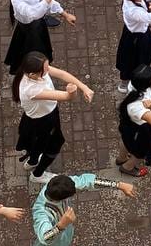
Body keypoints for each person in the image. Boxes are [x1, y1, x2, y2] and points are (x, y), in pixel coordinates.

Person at [13, 52, 93, 184]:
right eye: (45, 69)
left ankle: (32, 162)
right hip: (44, 121)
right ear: (32, 74)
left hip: (35, 119)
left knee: (37, 144)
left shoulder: (31, 71)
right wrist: (72, 92)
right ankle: (37, 174)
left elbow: (62, 74)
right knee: (54, 145)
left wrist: (84, 87)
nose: (48, 70)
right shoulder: (32, 90)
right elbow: (67, 97)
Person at [5, 0, 75, 75]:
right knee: (30, 53)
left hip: (38, 25)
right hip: (27, 31)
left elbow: (47, 1)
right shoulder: (17, 1)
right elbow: (34, 13)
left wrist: (65, 14)